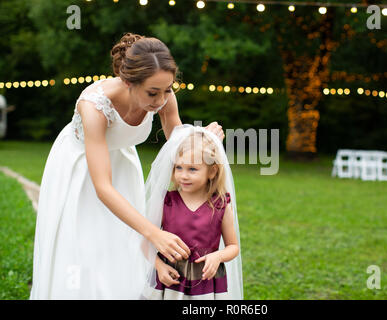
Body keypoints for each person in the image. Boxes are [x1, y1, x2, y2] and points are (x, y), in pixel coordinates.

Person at [30, 33, 224, 299]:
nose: (160, 101)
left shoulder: (165, 96)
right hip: (82, 169)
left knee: (120, 244)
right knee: (83, 245)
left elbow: (179, 148)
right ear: (128, 82)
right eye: (152, 93)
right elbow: (103, 187)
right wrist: (153, 233)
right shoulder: (94, 105)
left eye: (167, 90)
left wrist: (205, 140)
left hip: (123, 165)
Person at [140, 125, 243, 300]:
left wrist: (218, 256)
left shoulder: (220, 205)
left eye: (192, 169)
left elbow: (233, 247)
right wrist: (159, 266)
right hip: (170, 279)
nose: (183, 175)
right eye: (178, 168)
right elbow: (145, 243)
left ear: (212, 171)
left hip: (205, 282)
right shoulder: (167, 202)